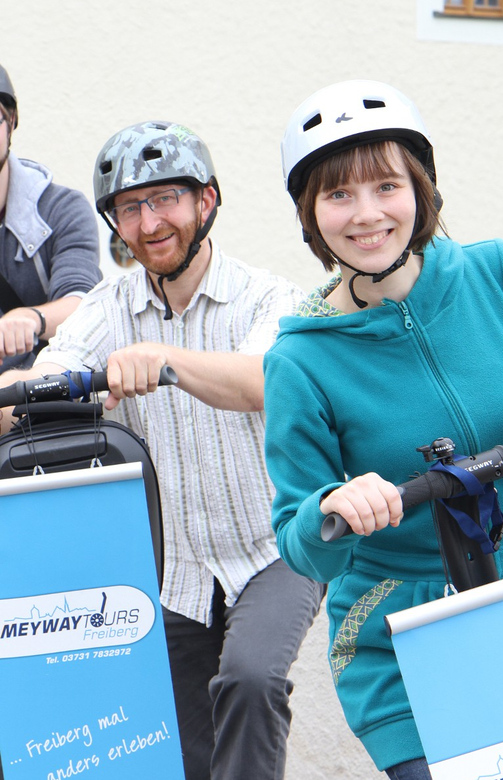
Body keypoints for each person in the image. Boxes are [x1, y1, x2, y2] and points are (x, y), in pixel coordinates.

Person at [0, 120, 324, 780]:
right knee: (180, 738)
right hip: (170, 567)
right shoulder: (106, 307)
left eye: (166, 199)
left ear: (207, 201)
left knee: (250, 680)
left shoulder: (268, 296)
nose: (149, 223)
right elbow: (46, 380)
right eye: (129, 207)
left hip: (273, 546)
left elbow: (267, 379)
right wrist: (13, 389)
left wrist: (166, 360)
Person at [263, 79, 503, 780]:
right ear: (311, 216)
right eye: (338, 194)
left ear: (422, 190)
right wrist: (330, 508)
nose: (367, 214)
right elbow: (298, 539)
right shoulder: (300, 359)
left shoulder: (500, 273)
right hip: (401, 629)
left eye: (386, 186)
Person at [0, 63, 101, 373]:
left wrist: (31, 318)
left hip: (38, 396)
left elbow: (83, 301)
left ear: (11, 121)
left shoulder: (61, 208)